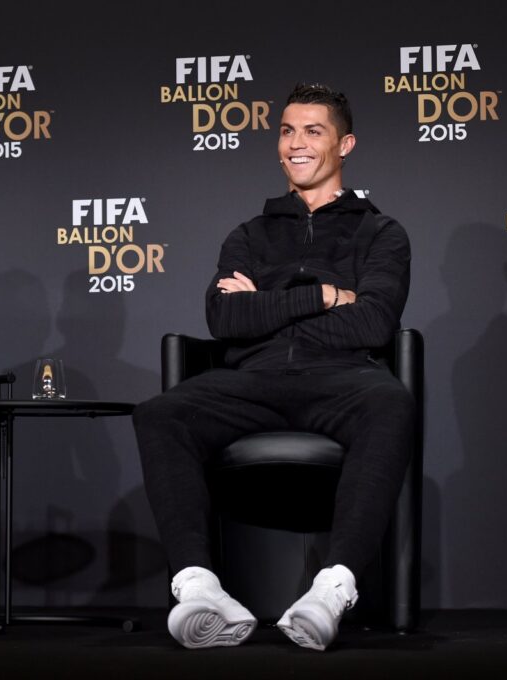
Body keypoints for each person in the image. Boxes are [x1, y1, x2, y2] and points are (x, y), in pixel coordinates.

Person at [132, 83, 413, 652]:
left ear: (345, 143)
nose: (296, 144)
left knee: (392, 401)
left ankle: (331, 591)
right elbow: (222, 317)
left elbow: (373, 324)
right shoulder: (249, 234)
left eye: (313, 131)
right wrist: (324, 296)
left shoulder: (381, 233)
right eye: (287, 131)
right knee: (161, 413)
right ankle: (199, 590)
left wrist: (265, 303)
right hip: (250, 380)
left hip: (342, 380)